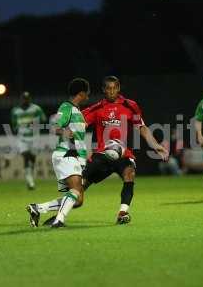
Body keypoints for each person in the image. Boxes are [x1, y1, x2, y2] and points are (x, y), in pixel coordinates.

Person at [81, 76, 168, 224]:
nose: (112, 91)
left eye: (115, 88)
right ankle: (59, 212)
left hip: (122, 153)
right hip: (102, 154)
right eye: (109, 88)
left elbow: (141, 127)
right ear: (103, 90)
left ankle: (122, 213)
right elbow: (79, 123)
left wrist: (156, 145)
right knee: (81, 187)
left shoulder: (130, 105)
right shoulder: (97, 108)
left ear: (119, 88)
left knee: (129, 174)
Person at [26, 78, 90, 228]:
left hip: (75, 157)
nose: (88, 96)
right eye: (87, 93)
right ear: (81, 93)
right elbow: (54, 127)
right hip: (67, 154)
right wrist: (64, 131)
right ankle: (59, 220)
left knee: (78, 199)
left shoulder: (77, 111)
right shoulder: (66, 107)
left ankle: (38, 208)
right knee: (75, 191)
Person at [11, 91, 47, 190]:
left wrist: (34, 121)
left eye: (27, 98)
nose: (25, 100)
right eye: (24, 98)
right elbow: (14, 126)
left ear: (29, 99)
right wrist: (19, 127)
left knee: (32, 159)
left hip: (34, 137)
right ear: (21, 99)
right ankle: (30, 181)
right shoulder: (15, 110)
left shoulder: (36, 108)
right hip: (22, 138)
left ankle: (31, 179)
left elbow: (44, 119)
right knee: (26, 156)